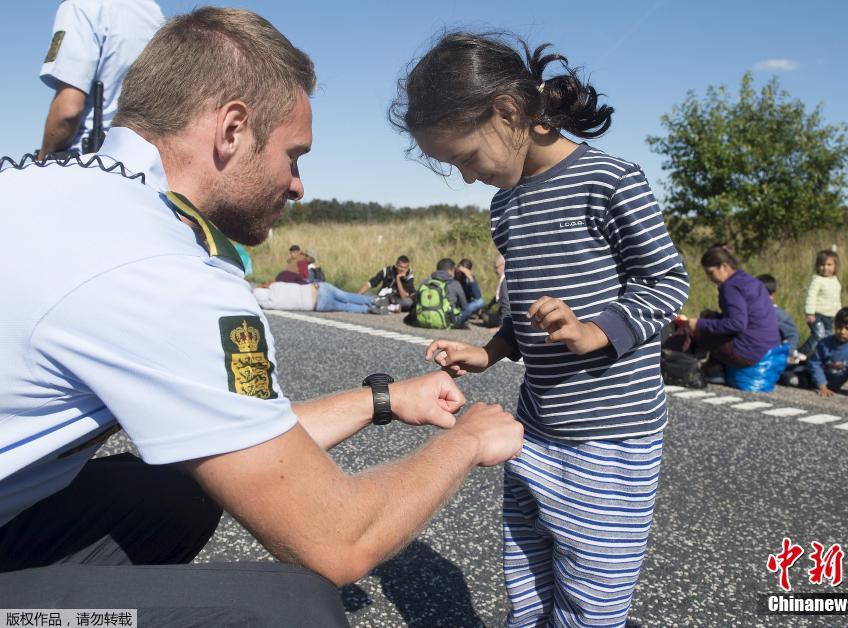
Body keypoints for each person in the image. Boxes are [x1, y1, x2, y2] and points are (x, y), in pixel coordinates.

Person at [0, 9, 524, 624]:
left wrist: (382, 400)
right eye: (293, 155)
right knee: (294, 609)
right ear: (232, 128)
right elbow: (339, 541)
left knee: (175, 491)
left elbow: (238, 438)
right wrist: (465, 442)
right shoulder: (161, 270)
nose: (299, 185)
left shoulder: (57, 192)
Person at [391, 32, 690, 626]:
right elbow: (524, 306)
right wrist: (491, 351)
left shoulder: (611, 181)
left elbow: (667, 284)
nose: (470, 177)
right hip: (536, 430)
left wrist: (597, 330)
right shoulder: (506, 206)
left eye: (467, 158)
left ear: (507, 111)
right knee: (527, 586)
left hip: (610, 438)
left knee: (590, 603)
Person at [38, 0, 165, 159]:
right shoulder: (153, 13)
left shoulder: (79, 7)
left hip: (86, 161)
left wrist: (41, 159)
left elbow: (68, 111)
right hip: (142, 161)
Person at [682, 246, 779, 378]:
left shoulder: (730, 286)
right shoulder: (750, 281)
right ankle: (713, 366)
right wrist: (714, 317)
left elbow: (737, 324)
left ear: (724, 266)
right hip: (770, 349)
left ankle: (688, 367)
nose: (709, 278)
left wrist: (699, 324)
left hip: (750, 353)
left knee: (700, 332)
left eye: (711, 273)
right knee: (709, 319)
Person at [807, 306, 848, 400]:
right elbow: (814, 364)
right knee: (791, 378)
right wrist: (822, 385)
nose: (842, 331)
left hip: (833, 385)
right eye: (839, 327)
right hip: (811, 378)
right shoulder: (825, 343)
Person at [799, 249, 842, 357]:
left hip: (831, 316)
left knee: (827, 338)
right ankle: (800, 353)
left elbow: (836, 299)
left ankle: (821, 358)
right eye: (822, 265)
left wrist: (840, 313)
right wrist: (809, 313)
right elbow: (811, 296)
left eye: (829, 265)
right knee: (818, 334)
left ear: (835, 266)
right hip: (817, 315)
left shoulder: (835, 280)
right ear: (817, 266)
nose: (825, 268)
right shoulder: (817, 280)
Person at [254, 280, 383, 314]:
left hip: (317, 305)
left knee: (346, 306)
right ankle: (373, 300)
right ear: (264, 287)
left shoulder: (271, 304)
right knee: (346, 296)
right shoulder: (276, 285)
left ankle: (368, 309)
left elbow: (260, 304)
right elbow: (269, 283)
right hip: (318, 288)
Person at [756, 274, 805, 364]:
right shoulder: (751, 311)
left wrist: (787, 352)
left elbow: (792, 333)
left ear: (772, 296)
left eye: (763, 295)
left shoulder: (777, 314)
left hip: (775, 356)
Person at [454, 258, 485, 329]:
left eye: (465, 271)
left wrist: (470, 278)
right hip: (453, 306)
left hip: (464, 305)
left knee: (481, 303)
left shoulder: (468, 279)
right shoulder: (452, 276)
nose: (461, 273)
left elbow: (478, 297)